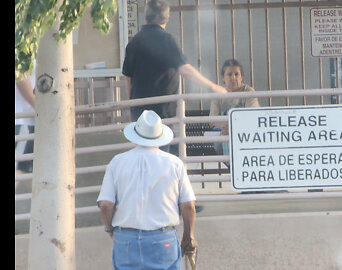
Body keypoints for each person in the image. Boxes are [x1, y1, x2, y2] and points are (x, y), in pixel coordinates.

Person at [122, 0, 227, 155]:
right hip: (162, 112)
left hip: (139, 112)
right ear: (167, 18)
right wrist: (213, 87)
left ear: (146, 17)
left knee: (143, 154)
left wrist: (132, 107)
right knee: (162, 154)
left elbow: (128, 78)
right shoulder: (166, 40)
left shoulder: (134, 42)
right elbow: (185, 70)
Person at [97, 110, 198, 270]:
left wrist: (110, 229)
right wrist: (188, 236)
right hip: (163, 237)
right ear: (160, 136)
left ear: (136, 134)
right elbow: (188, 207)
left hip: (126, 238)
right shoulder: (174, 164)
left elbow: (105, 205)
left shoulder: (117, 162)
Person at [209, 59, 260, 136]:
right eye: (229, 74)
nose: (233, 78)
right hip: (223, 133)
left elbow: (253, 116)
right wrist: (227, 128)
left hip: (245, 133)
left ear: (241, 77)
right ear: (223, 77)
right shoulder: (218, 94)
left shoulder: (249, 92)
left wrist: (233, 128)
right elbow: (212, 121)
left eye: (236, 74)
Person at [15, 63, 36, 175]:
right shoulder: (23, 48)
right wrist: (40, 108)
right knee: (21, 169)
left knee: (28, 171)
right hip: (22, 120)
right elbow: (20, 76)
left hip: (25, 119)